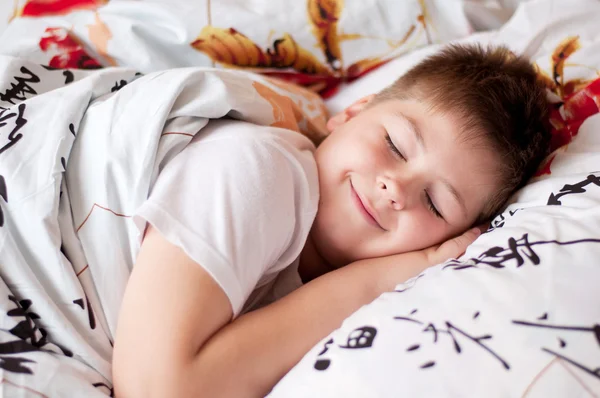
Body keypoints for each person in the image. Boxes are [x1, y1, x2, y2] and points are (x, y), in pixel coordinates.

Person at [112, 44, 550, 397]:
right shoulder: (258, 168)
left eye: (435, 204)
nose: (395, 188)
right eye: (395, 145)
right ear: (355, 112)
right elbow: (158, 389)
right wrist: (375, 281)